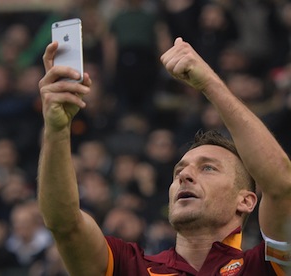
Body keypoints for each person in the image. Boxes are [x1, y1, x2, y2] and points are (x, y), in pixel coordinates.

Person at [37, 37, 291, 275]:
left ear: (246, 201)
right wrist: (57, 129)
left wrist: (209, 84)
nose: (185, 176)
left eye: (208, 168)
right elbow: (66, 226)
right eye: (179, 171)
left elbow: (281, 184)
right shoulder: (130, 267)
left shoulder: (264, 267)